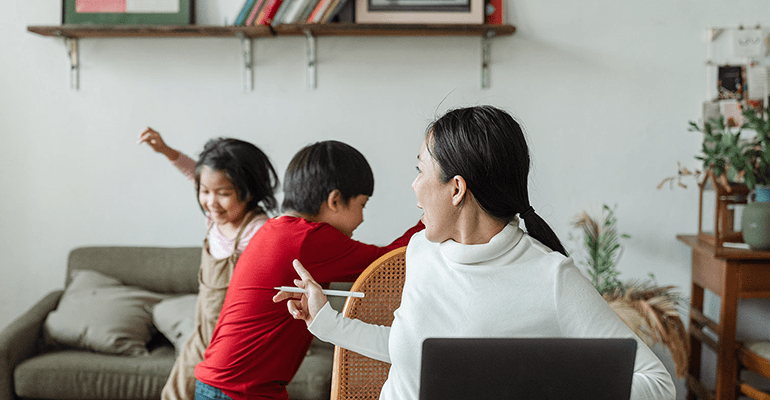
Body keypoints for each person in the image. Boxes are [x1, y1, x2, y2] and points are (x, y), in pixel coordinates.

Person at [275, 106, 677, 400]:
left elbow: (656, 384)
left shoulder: (550, 277)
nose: (414, 186)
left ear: (456, 189)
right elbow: (412, 349)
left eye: (420, 171)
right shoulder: (421, 252)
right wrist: (324, 321)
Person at [194, 140, 425, 400]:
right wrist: (431, 216)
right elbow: (386, 264)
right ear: (335, 200)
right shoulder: (306, 239)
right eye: (362, 205)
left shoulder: (278, 229)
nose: (362, 218)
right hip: (238, 390)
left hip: (229, 383)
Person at [138, 128, 280, 400]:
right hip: (202, 332)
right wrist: (167, 151)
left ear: (249, 191)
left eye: (224, 193)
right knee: (174, 394)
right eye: (205, 192)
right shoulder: (215, 219)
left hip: (232, 343)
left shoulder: (257, 231)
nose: (211, 202)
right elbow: (196, 174)